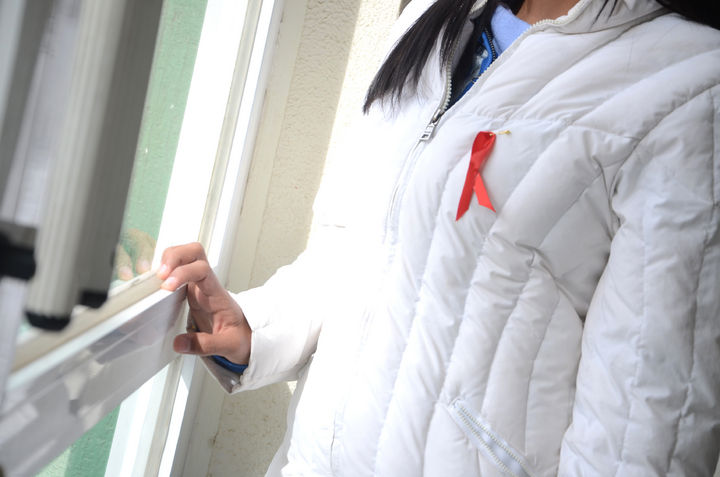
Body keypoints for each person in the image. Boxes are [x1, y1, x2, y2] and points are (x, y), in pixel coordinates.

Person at [157, 0, 720, 475]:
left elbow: (643, 425)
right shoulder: (433, 21)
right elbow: (354, 244)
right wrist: (254, 327)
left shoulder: (690, 81)